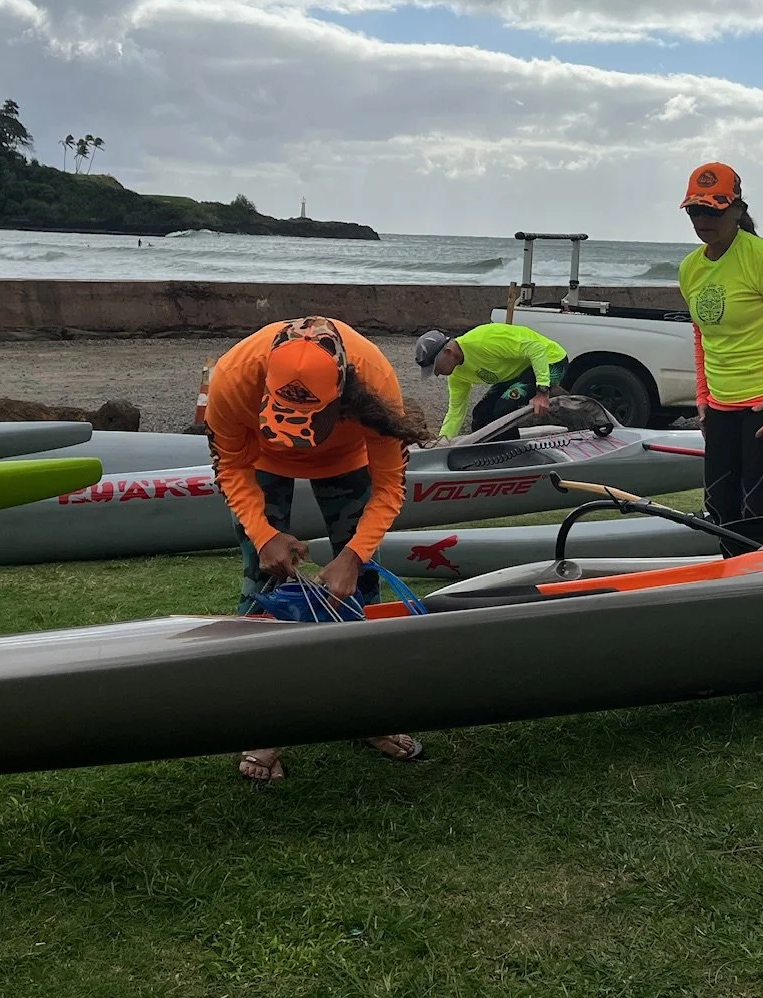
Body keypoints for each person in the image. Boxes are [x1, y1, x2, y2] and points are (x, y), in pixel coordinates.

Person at [203, 314, 432, 782]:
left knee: (362, 586)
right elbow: (229, 466)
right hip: (260, 460)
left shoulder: (375, 379)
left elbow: (390, 485)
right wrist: (265, 535)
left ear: (345, 391)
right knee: (262, 581)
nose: (296, 436)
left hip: (347, 458)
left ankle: (368, 713)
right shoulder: (232, 375)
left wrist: (353, 556)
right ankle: (263, 727)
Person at [677, 162, 763, 526]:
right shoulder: (690, 268)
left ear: (738, 210)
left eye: (713, 209)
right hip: (721, 401)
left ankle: (760, 577)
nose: (702, 218)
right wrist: (702, 396)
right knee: (719, 504)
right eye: (695, 209)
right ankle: (731, 577)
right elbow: (701, 335)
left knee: (756, 507)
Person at [414, 323, 570, 439]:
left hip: (551, 360)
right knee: (481, 416)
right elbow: (455, 412)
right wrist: (442, 444)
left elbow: (536, 348)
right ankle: (490, 457)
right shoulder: (456, 375)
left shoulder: (483, 341)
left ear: (448, 352)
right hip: (518, 371)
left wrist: (542, 391)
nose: (436, 374)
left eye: (435, 367)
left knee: (504, 408)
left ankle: (512, 457)